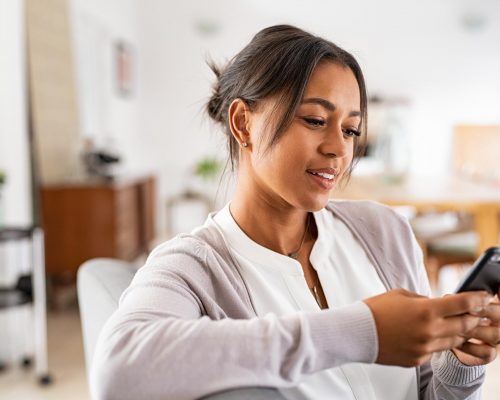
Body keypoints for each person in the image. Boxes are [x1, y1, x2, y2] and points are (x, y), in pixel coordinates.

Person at [91, 25, 500, 400]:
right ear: (242, 123)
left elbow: (426, 393)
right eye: (315, 119)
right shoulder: (193, 267)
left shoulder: (385, 231)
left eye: (351, 130)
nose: (339, 149)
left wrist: (460, 365)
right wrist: (364, 332)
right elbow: (117, 375)